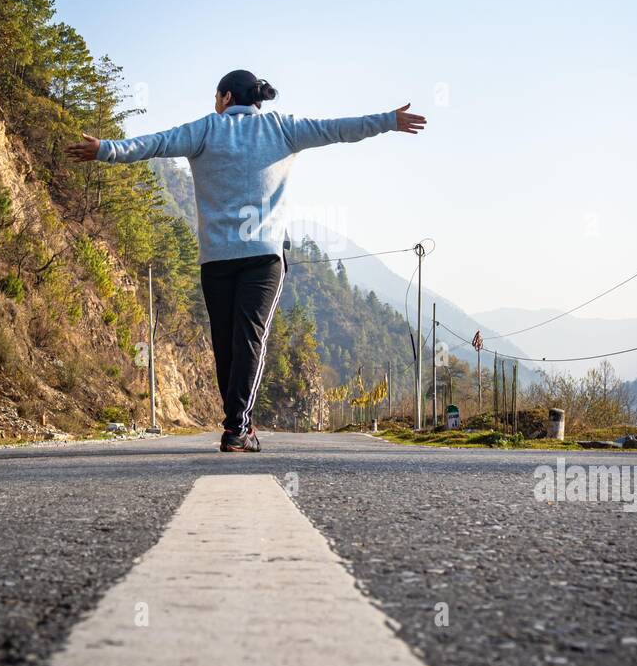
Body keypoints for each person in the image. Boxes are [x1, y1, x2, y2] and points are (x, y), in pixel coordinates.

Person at [67, 69, 426, 452]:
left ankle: (238, 424)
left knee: (226, 343)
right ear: (255, 99)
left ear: (224, 97)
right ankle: (238, 427)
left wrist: (105, 149)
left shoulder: (206, 129)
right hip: (262, 258)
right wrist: (388, 121)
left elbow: (153, 144)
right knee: (249, 338)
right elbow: (337, 129)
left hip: (216, 259)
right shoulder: (282, 128)